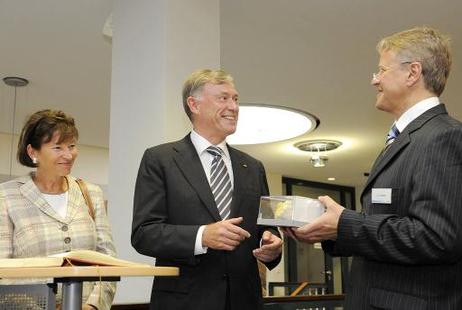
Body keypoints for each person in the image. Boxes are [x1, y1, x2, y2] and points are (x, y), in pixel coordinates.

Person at [283, 26, 462, 309]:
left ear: (413, 73)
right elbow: (387, 227)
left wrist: (345, 224)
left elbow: (437, 237)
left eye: (381, 70)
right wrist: (331, 231)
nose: (374, 81)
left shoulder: (443, 136)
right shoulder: (403, 139)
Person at [131, 69, 283, 310]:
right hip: (184, 302)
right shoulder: (159, 159)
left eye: (235, 99)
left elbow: (267, 227)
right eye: (223, 98)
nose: (233, 106)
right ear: (194, 104)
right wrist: (202, 236)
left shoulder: (253, 167)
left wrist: (272, 245)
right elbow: (144, 234)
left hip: (245, 301)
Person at [0, 109, 117, 310]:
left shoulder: (91, 193)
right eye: (57, 147)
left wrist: (93, 306)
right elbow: (3, 270)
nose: (68, 154)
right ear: (32, 152)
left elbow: (107, 262)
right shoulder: (7, 196)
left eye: (72, 146)